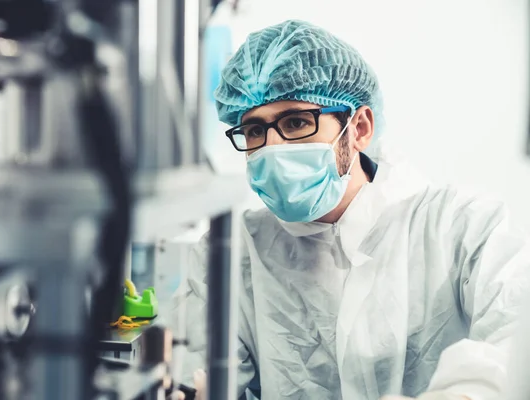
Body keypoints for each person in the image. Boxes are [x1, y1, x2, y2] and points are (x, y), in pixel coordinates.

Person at [170, 19, 530, 400]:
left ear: (359, 128)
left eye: (295, 122)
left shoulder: (461, 228)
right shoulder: (230, 254)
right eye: (255, 131)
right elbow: (191, 373)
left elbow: (512, 350)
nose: (271, 148)